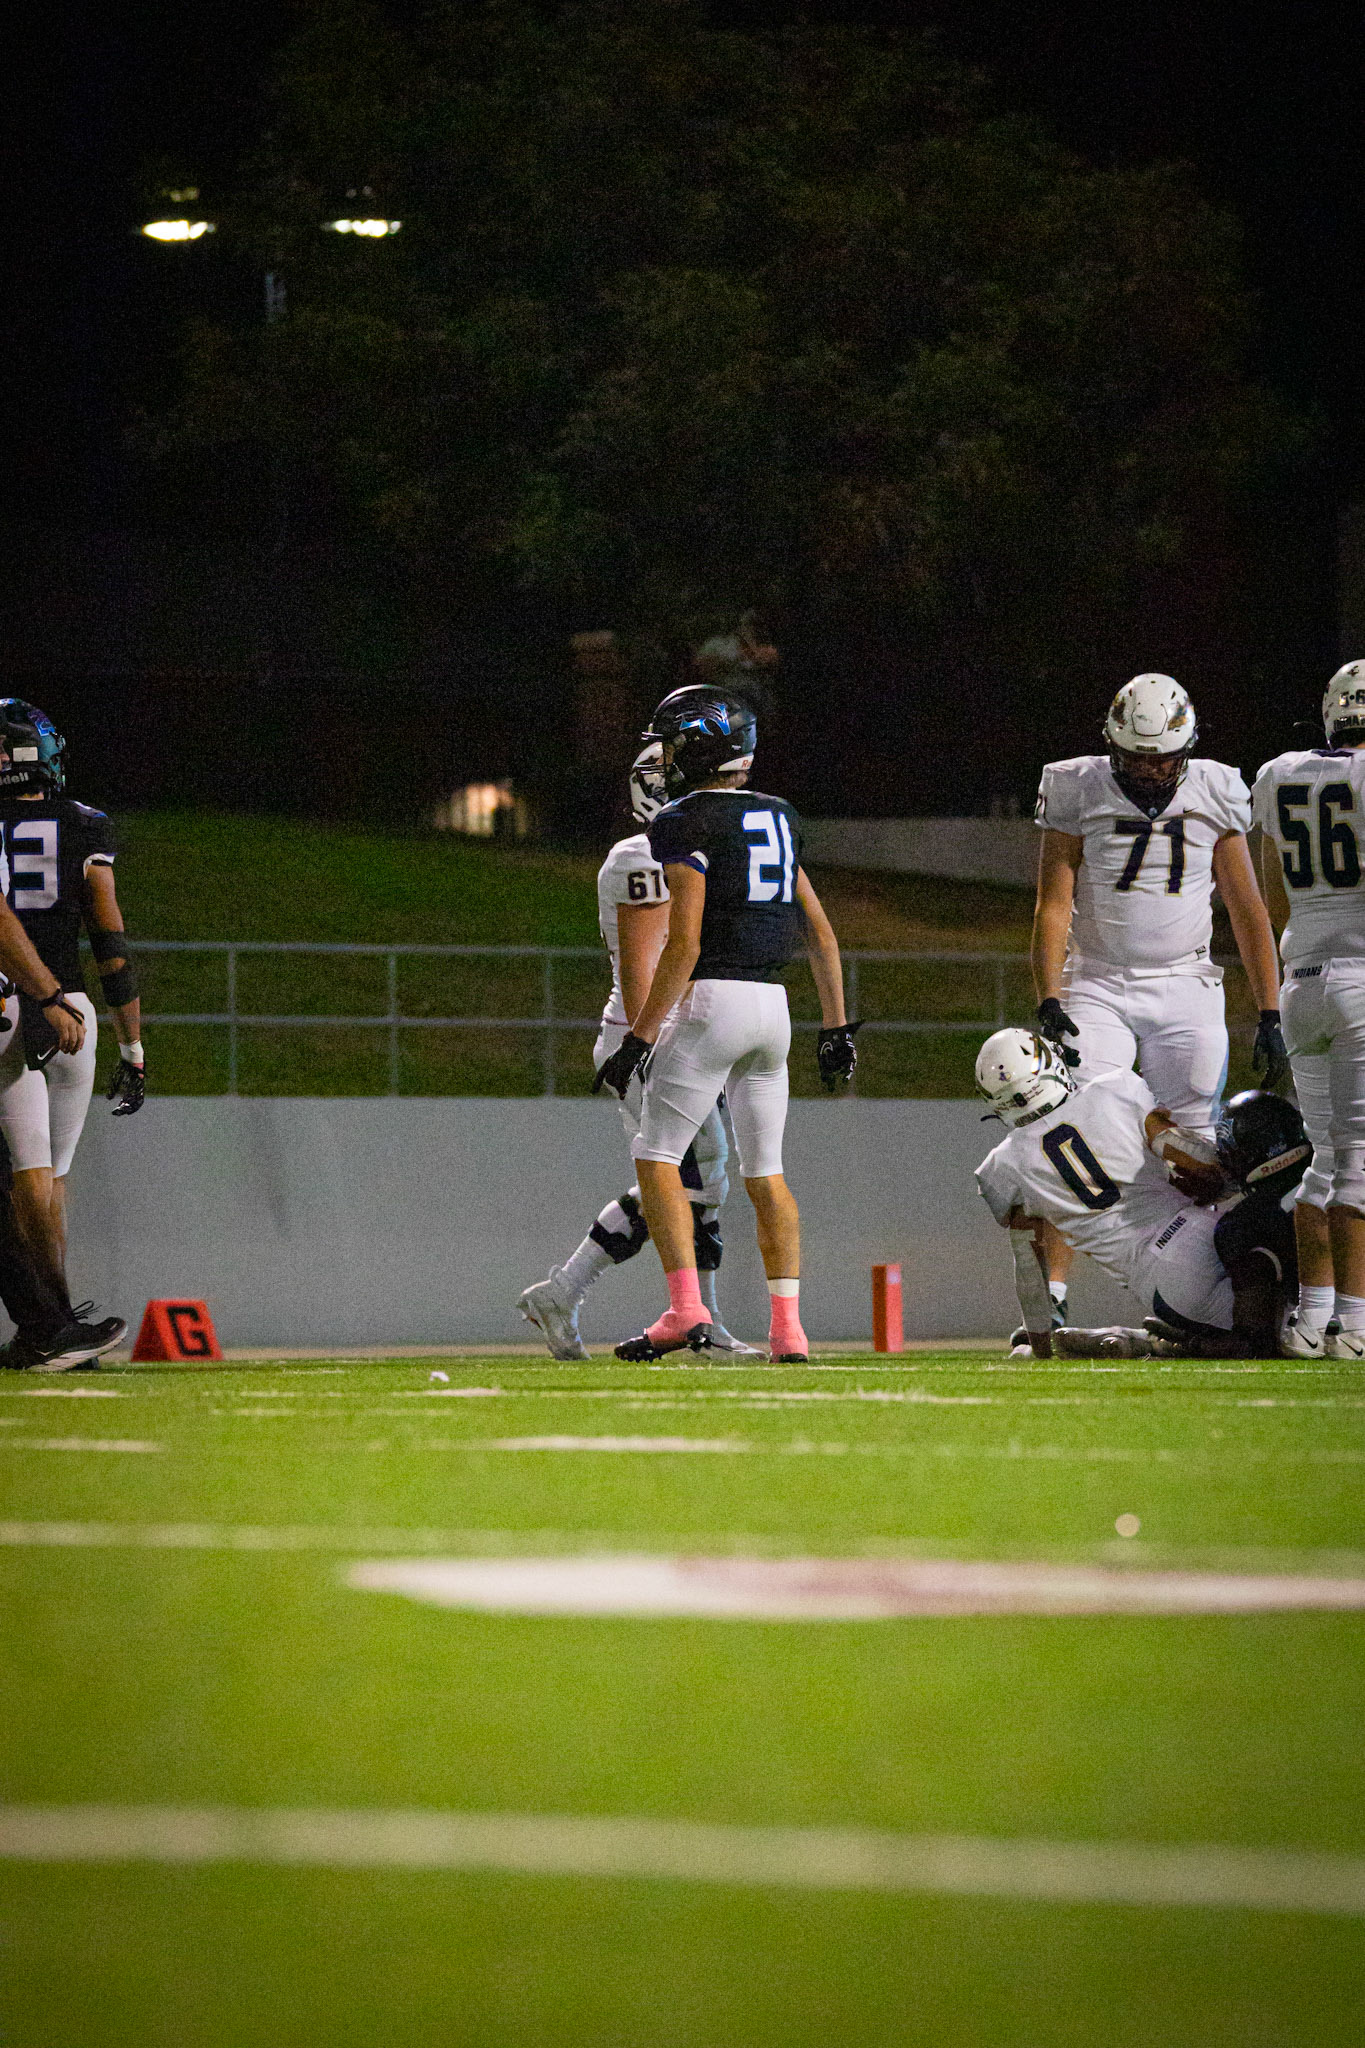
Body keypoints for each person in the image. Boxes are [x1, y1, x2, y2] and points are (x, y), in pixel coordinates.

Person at [1023, 672, 1286, 1351]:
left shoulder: (1215, 787)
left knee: (1201, 1151)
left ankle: (1207, 1304)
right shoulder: (1075, 785)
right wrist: (1048, 995)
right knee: (1074, 1129)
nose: (1148, 770)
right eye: (1135, 757)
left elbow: (1247, 909)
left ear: (1186, 748)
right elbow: (1052, 903)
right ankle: (1051, 1302)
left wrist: (1270, 1008)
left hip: (1184, 982)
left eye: (1162, 758)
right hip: (1096, 980)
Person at [594, 687, 857, 1363]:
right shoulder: (779, 815)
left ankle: (685, 1310)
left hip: (713, 1003)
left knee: (656, 1156)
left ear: (697, 747)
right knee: (765, 1173)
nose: (665, 756)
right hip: (774, 1011)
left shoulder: (683, 819)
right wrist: (836, 1027)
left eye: (673, 743)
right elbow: (821, 934)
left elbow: (683, 944)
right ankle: (788, 1331)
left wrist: (638, 1037)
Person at [518, 742, 756, 1358]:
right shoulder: (641, 855)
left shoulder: (681, 850)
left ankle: (567, 1292)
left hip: (671, 1037)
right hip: (647, 1039)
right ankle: (699, 1322)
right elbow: (644, 968)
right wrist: (654, 1042)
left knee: (692, 1180)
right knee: (694, 1178)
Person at [974, 1029, 1307, 1360]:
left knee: (1276, 1329)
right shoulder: (1112, 1089)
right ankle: (1185, 1344)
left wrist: (1038, 1344)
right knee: (1295, 1323)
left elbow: (1029, 1267)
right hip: (1204, 1235)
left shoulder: (1002, 1166)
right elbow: (1191, 1157)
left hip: (1163, 1289)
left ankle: (1155, 1343)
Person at [0, 700, 144, 1308]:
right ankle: (60, 1317)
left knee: (26, 1174)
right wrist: (133, 1047)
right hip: (73, 1010)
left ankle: (54, 1317)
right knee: (52, 1177)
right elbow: (110, 946)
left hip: (9, 1001)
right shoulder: (86, 824)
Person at [1251, 660, 1365, 1358]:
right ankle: (1355, 1324)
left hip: (1302, 980)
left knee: (1323, 1160)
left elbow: (1273, 893)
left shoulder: (1278, 773)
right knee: (1360, 1163)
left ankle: (1310, 1318)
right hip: (1360, 977)